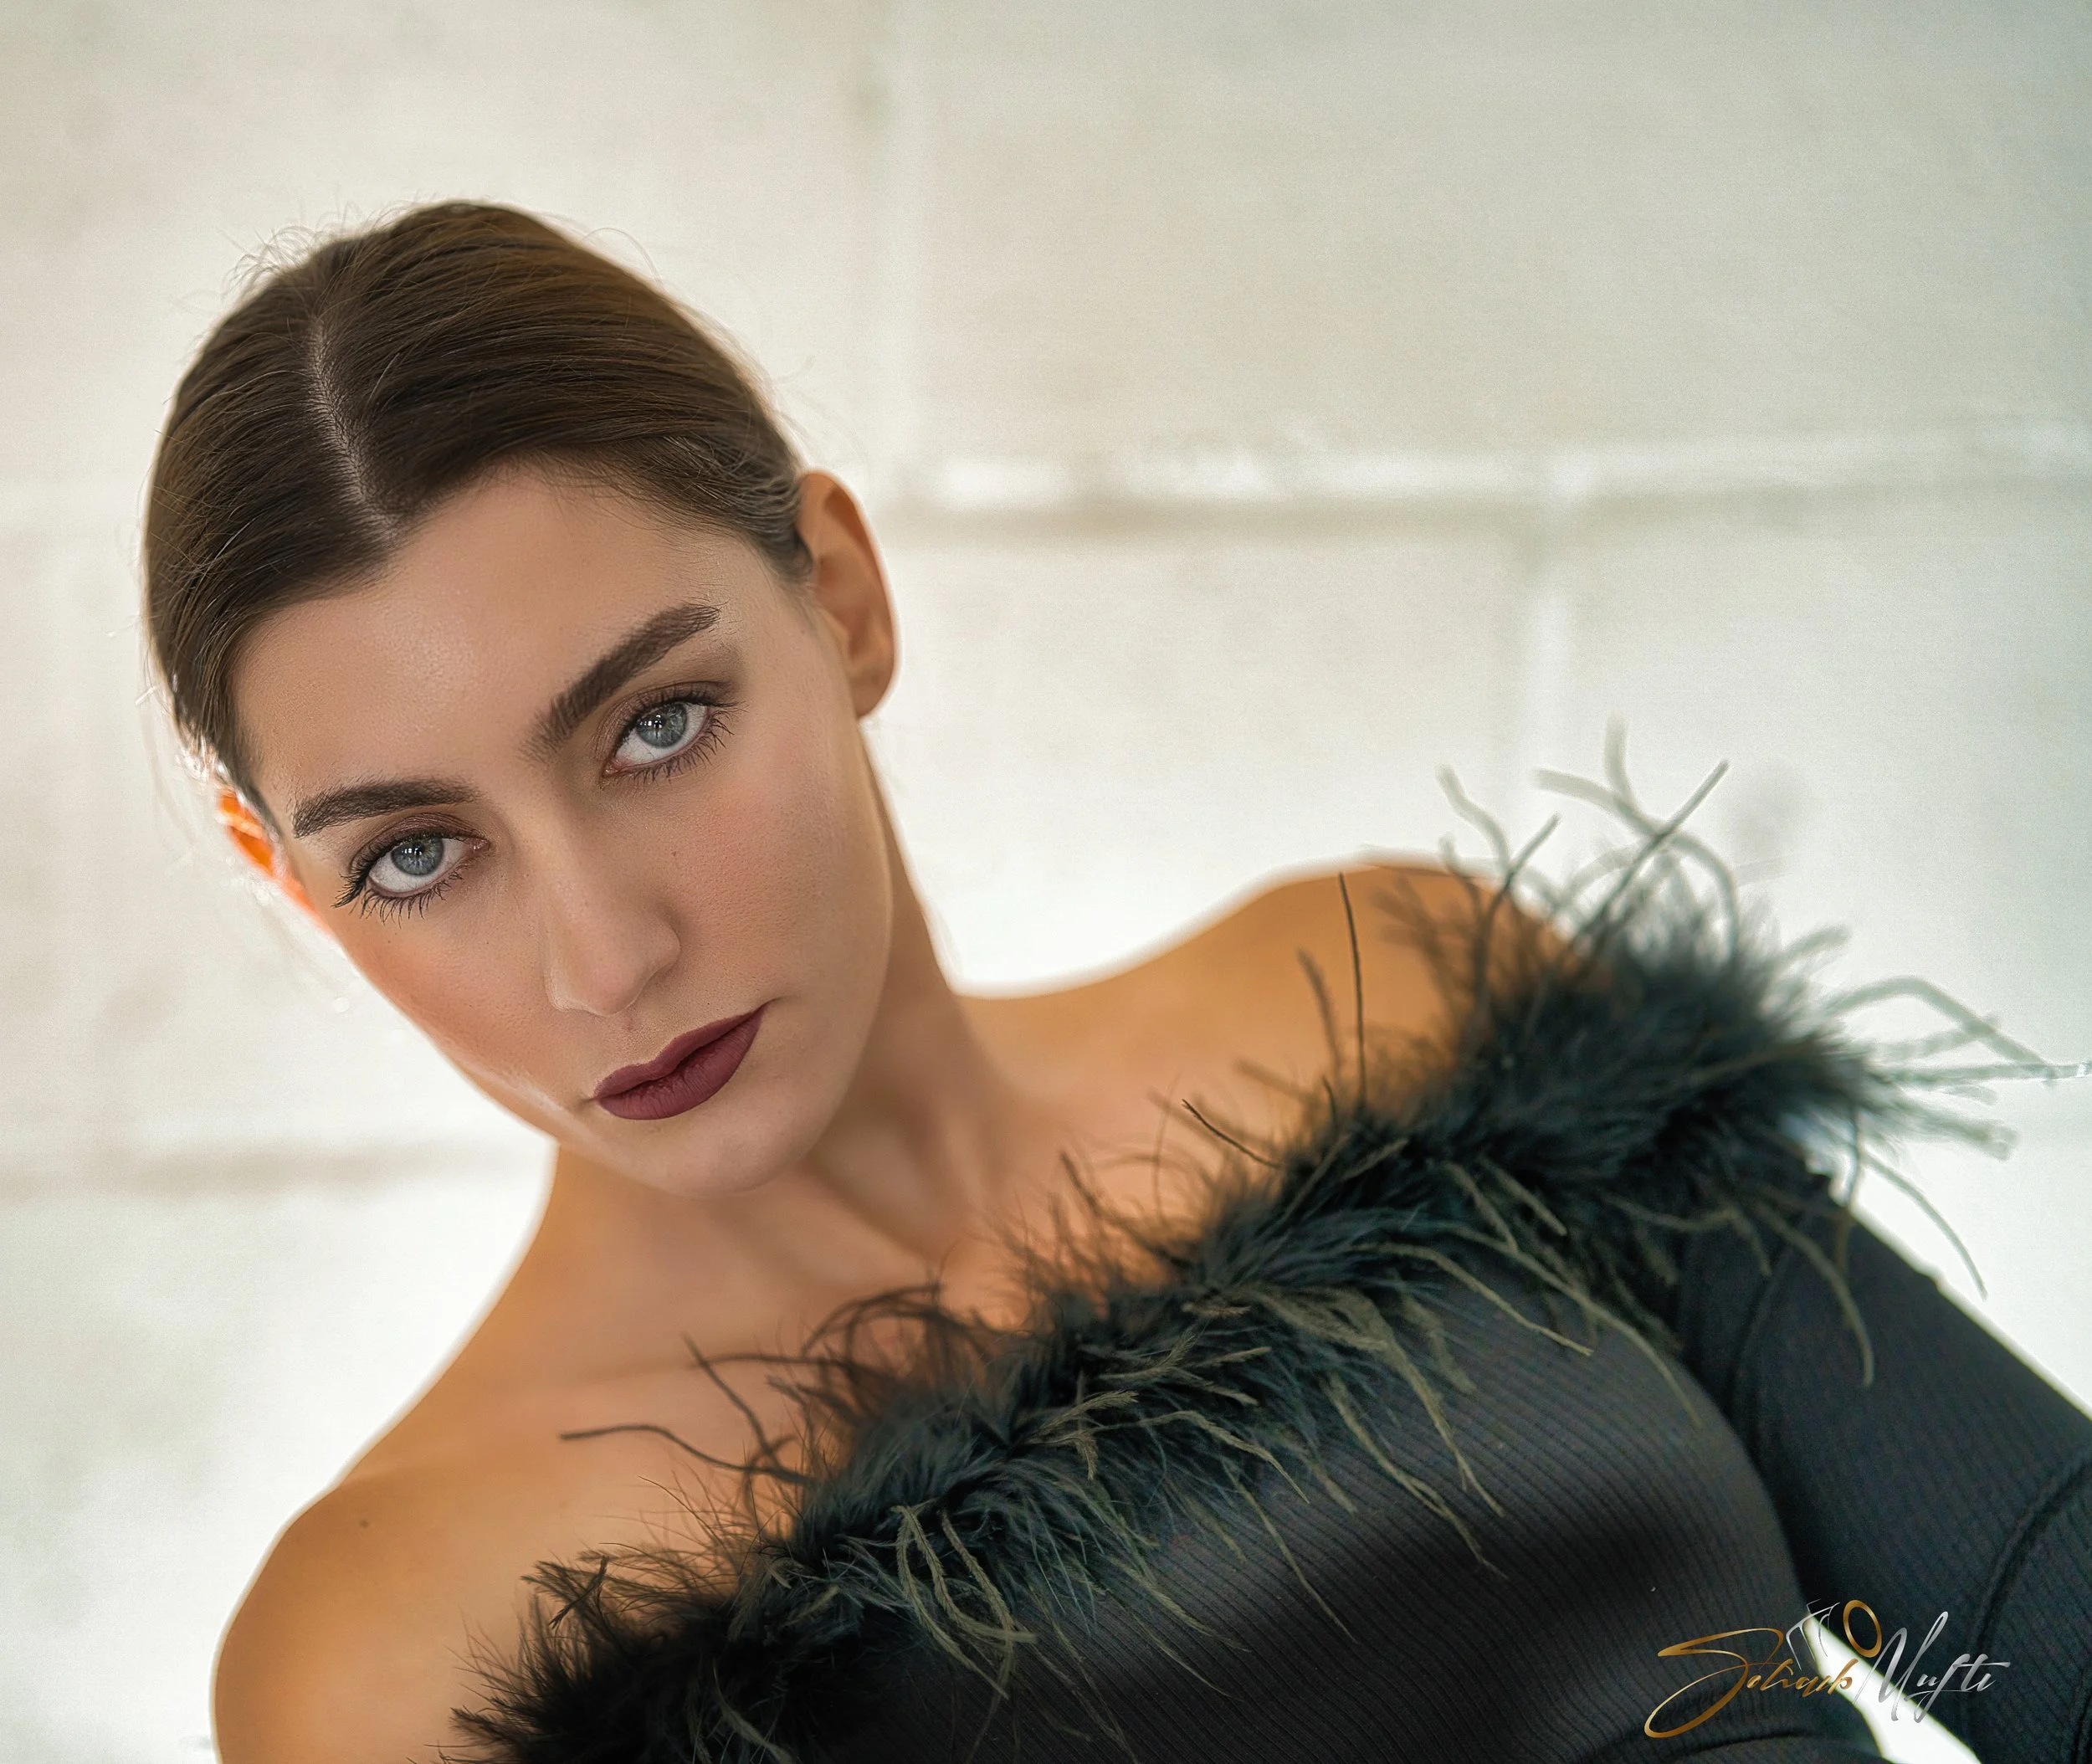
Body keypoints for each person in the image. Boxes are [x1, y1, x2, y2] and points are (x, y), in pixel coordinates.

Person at [144, 203, 2089, 1764]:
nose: (604, 956)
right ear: (287, 884)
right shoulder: (397, 1655)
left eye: (656, 727)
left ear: (841, 595)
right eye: (414, 853)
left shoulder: (1383, 1006)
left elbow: (2045, 1613)